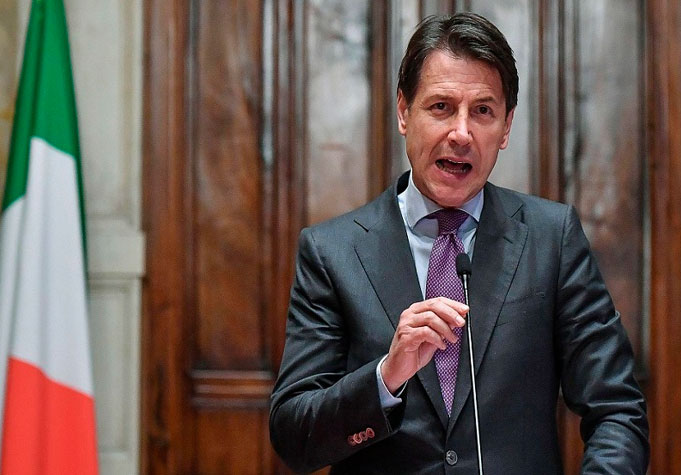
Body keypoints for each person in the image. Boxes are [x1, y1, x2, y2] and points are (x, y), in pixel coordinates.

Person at [269, 12, 648, 474]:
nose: (462, 133)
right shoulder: (332, 252)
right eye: (441, 107)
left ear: (506, 126)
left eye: (483, 111)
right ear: (404, 111)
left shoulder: (552, 238)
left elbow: (617, 410)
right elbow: (294, 437)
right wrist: (386, 376)